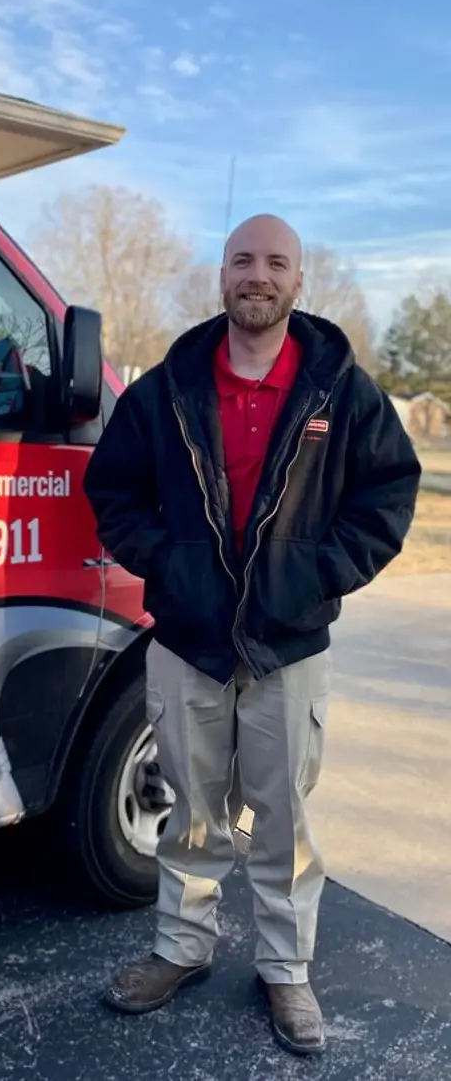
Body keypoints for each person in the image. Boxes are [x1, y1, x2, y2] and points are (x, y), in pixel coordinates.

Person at [83, 213, 421, 1057]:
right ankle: (180, 948)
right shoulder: (167, 387)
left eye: (276, 262)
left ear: (298, 280)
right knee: (192, 814)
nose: (257, 275)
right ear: (222, 275)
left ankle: (285, 967)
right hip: (188, 639)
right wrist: (166, 561)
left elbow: (388, 492)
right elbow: (112, 488)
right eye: (243, 260)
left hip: (289, 643)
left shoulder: (340, 390)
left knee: (281, 819)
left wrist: (318, 574)